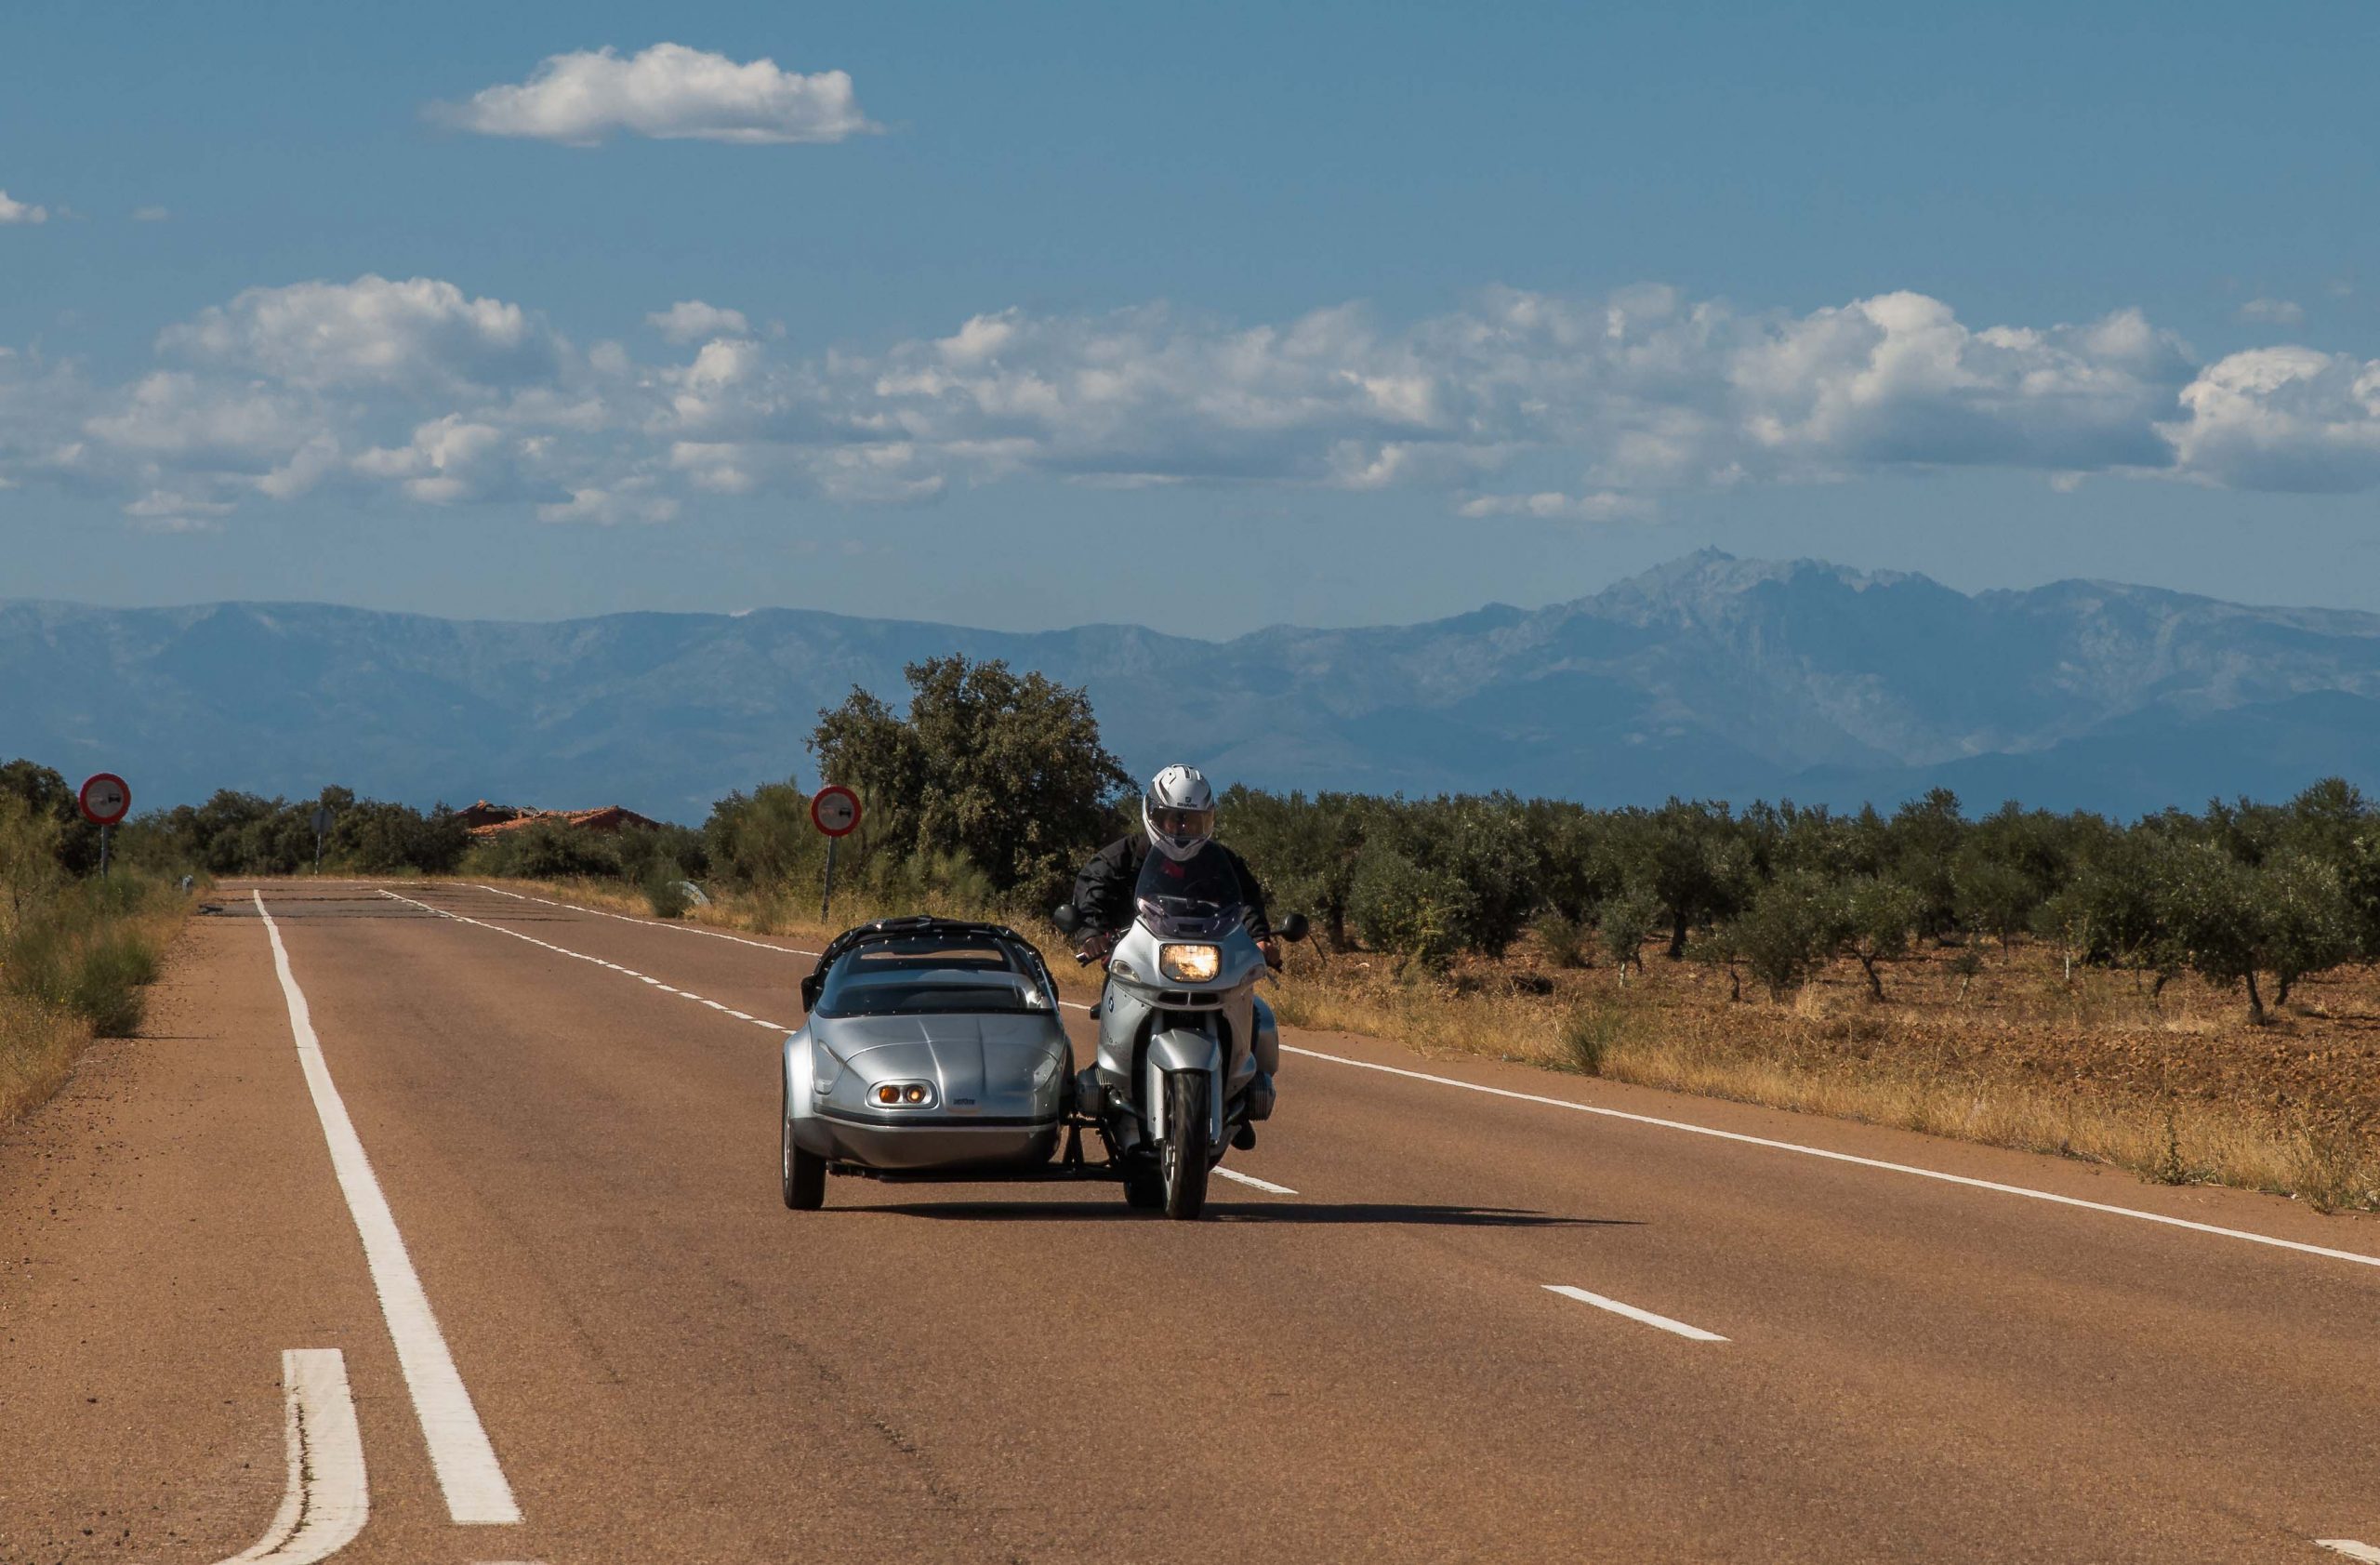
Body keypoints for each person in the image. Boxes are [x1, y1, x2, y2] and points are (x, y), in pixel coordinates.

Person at [1073, 763, 1278, 967]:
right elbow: (1093, 888)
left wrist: (1259, 937)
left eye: (1194, 821)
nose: (1185, 828)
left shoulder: (1222, 862)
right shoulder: (1120, 857)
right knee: (1112, 1000)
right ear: (1156, 816)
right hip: (1136, 959)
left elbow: (1245, 899)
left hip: (1209, 960)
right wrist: (1092, 933)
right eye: (1177, 819)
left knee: (1250, 999)